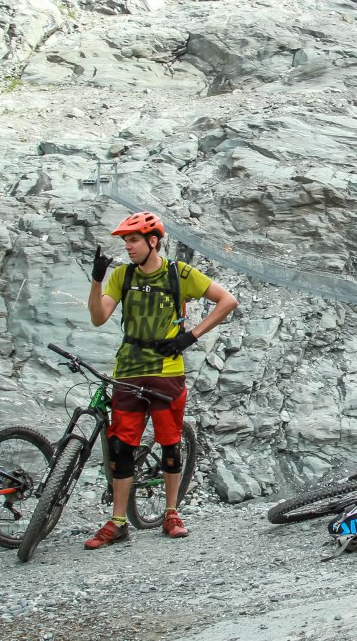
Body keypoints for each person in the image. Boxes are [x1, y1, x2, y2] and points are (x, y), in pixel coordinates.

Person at [84, 210, 238, 548]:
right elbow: (98, 318)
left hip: (167, 371)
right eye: (126, 242)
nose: (128, 247)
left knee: (170, 444)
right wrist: (97, 281)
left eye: (134, 240)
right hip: (128, 369)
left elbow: (227, 301)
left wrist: (191, 336)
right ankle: (118, 521)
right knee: (121, 448)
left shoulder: (178, 273)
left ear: (153, 241)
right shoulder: (122, 276)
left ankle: (171, 512)